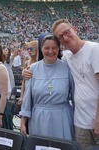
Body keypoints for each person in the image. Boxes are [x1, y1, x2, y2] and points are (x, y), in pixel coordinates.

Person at [52, 18, 99, 150]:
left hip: (97, 119)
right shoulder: (67, 57)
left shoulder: (94, 49)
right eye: (60, 37)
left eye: (66, 32)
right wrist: (29, 71)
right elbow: (48, 65)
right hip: (80, 122)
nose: (65, 37)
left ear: (75, 29)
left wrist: (98, 120)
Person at [20, 33, 75, 140]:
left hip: (62, 117)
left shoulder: (67, 67)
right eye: (47, 48)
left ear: (59, 49)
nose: (50, 51)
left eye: (54, 48)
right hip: (39, 118)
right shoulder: (32, 69)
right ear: (41, 49)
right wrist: (23, 121)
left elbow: (74, 94)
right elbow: (27, 99)